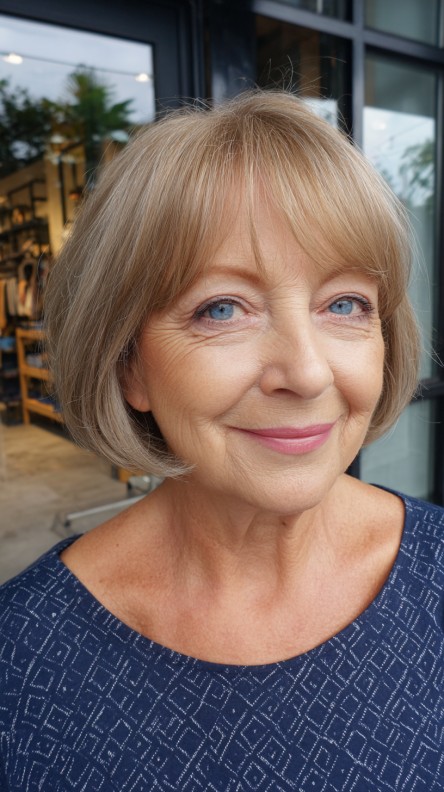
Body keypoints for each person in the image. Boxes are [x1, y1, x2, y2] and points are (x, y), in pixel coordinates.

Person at [1, 91, 443, 791]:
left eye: (345, 304)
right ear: (129, 365)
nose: (305, 370)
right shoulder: (22, 668)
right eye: (222, 308)